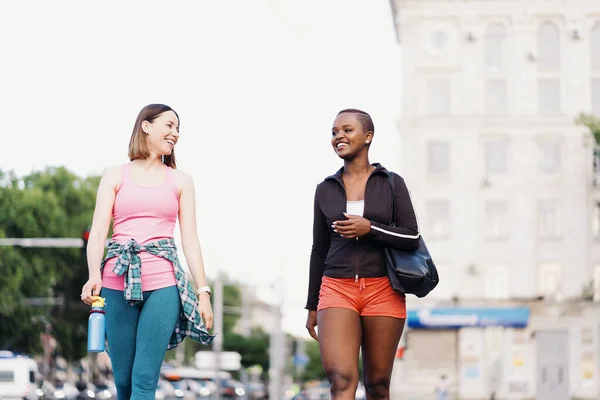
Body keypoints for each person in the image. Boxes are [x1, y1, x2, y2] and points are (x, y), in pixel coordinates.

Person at [80, 103, 215, 400]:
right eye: (169, 125)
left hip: (163, 286)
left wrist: (202, 291)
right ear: (146, 126)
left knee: (143, 379)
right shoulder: (115, 175)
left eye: (178, 128)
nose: (175, 133)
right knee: (125, 381)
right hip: (116, 282)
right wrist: (93, 275)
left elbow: (190, 239)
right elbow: (99, 231)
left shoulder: (181, 180)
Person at [305, 109, 420, 400]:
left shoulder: (392, 183)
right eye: (334, 132)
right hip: (336, 288)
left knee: (378, 384)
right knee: (342, 380)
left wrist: (370, 229)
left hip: (383, 289)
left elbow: (411, 236)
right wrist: (312, 305)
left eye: (347, 130)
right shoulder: (325, 189)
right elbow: (319, 248)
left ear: (367, 137)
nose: (338, 137)